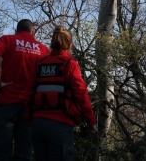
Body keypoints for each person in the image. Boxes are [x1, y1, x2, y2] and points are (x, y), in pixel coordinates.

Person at [28, 25, 98, 161]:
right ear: (69, 44)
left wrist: (29, 119)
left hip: (37, 125)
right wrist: (91, 121)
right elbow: (81, 93)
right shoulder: (69, 64)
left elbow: (30, 92)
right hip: (60, 126)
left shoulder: (40, 63)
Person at [0, 19, 50, 161]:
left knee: (1, 152)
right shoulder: (43, 50)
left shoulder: (8, 40)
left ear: (16, 31)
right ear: (33, 32)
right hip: (30, 107)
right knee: (24, 154)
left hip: (7, 104)